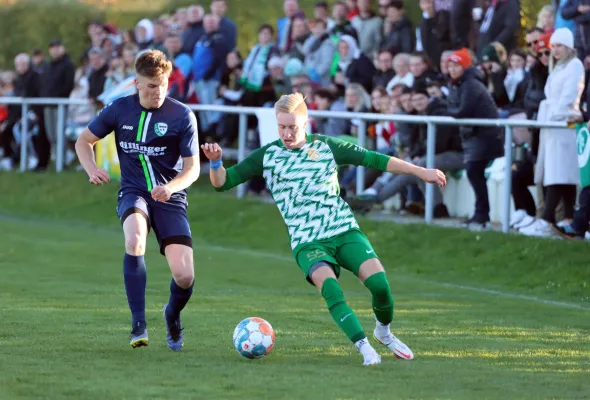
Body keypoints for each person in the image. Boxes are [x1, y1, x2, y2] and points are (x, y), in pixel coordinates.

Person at [200, 93, 446, 366]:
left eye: (292, 127)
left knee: (380, 287)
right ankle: (365, 349)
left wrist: (421, 171)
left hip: (343, 229)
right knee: (331, 289)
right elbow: (223, 182)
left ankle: (383, 333)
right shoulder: (267, 155)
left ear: (305, 122)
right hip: (307, 241)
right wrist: (215, 163)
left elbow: (374, 159)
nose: (287, 133)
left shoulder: (326, 146)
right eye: (282, 127)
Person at [74, 50, 200, 350]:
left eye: (163, 85)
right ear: (136, 83)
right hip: (133, 190)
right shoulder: (119, 109)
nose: (158, 92)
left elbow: (193, 168)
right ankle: (138, 325)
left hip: (169, 196)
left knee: (184, 276)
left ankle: (171, 314)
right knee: (134, 240)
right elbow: (84, 141)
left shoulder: (182, 115)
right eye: (151, 86)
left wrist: (171, 187)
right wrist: (92, 169)